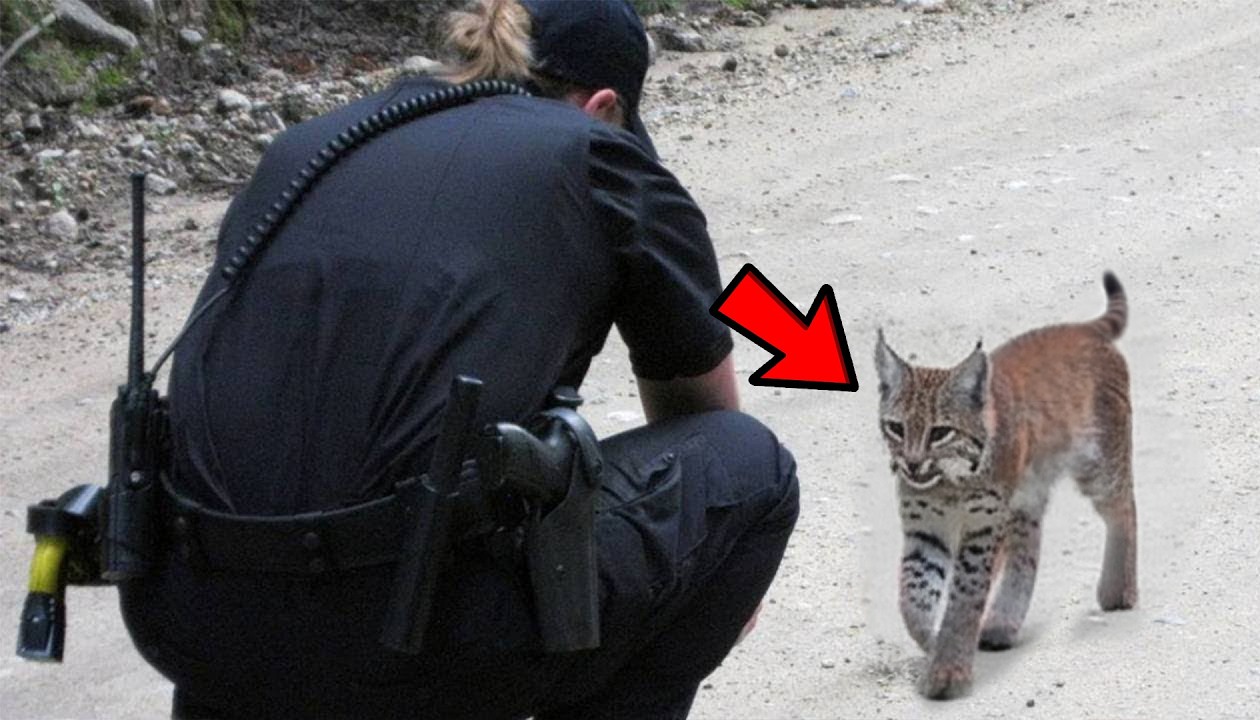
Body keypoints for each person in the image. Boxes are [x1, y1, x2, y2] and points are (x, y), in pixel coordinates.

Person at [119, 1, 799, 717]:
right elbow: (701, 412)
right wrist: (708, 574)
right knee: (749, 470)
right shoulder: (595, 151)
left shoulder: (303, 150)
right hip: (414, 636)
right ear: (603, 106)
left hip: (193, 623)